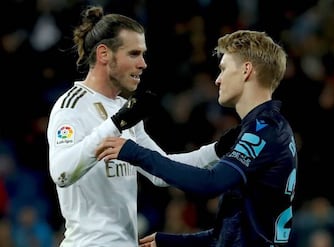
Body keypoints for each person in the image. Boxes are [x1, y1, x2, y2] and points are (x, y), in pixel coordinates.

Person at [46, 5, 238, 247]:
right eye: (134, 54)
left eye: (143, 54)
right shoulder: (72, 106)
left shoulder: (124, 109)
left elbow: (162, 171)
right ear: (104, 54)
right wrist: (116, 124)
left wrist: (217, 150)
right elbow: (61, 174)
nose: (143, 64)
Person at [96, 30, 298, 247]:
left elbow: (210, 183)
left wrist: (135, 153)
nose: (218, 80)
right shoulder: (265, 128)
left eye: (223, 69)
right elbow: (228, 235)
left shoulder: (264, 130)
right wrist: (167, 242)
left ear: (246, 70)